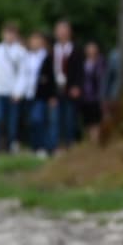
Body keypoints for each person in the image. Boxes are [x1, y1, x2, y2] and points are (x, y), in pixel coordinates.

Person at [0, 21, 27, 155]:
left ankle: (10, 146)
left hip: (12, 92)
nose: (9, 36)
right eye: (7, 33)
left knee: (11, 122)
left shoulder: (21, 52)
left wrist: (18, 92)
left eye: (12, 33)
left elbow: (23, 74)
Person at [49, 19, 82, 149]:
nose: (62, 33)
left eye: (64, 30)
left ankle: (69, 143)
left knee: (69, 119)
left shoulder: (76, 49)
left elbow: (80, 70)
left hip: (70, 89)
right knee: (54, 119)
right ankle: (55, 145)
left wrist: (77, 86)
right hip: (56, 88)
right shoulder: (51, 50)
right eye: (59, 30)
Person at [22, 30, 56, 155]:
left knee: (39, 120)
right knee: (31, 122)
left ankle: (44, 146)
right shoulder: (26, 57)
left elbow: (51, 78)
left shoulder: (47, 57)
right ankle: (35, 146)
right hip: (28, 94)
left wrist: (52, 95)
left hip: (41, 95)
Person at [79, 40, 107, 144]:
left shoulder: (101, 61)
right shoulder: (83, 61)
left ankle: (95, 140)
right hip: (85, 96)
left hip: (96, 95)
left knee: (96, 119)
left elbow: (102, 78)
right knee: (87, 119)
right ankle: (89, 140)